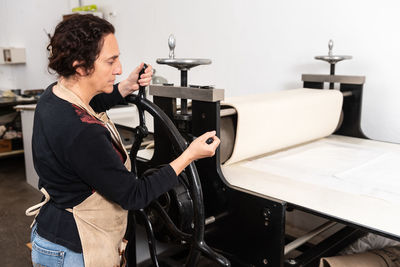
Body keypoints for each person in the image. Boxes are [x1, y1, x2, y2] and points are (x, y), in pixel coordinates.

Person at [26, 14, 220, 267]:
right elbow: (134, 195)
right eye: (111, 61)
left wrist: (125, 87)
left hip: (51, 235)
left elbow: (89, 104)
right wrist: (188, 156)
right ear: (80, 66)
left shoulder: (53, 97)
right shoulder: (84, 132)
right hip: (76, 251)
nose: (118, 69)